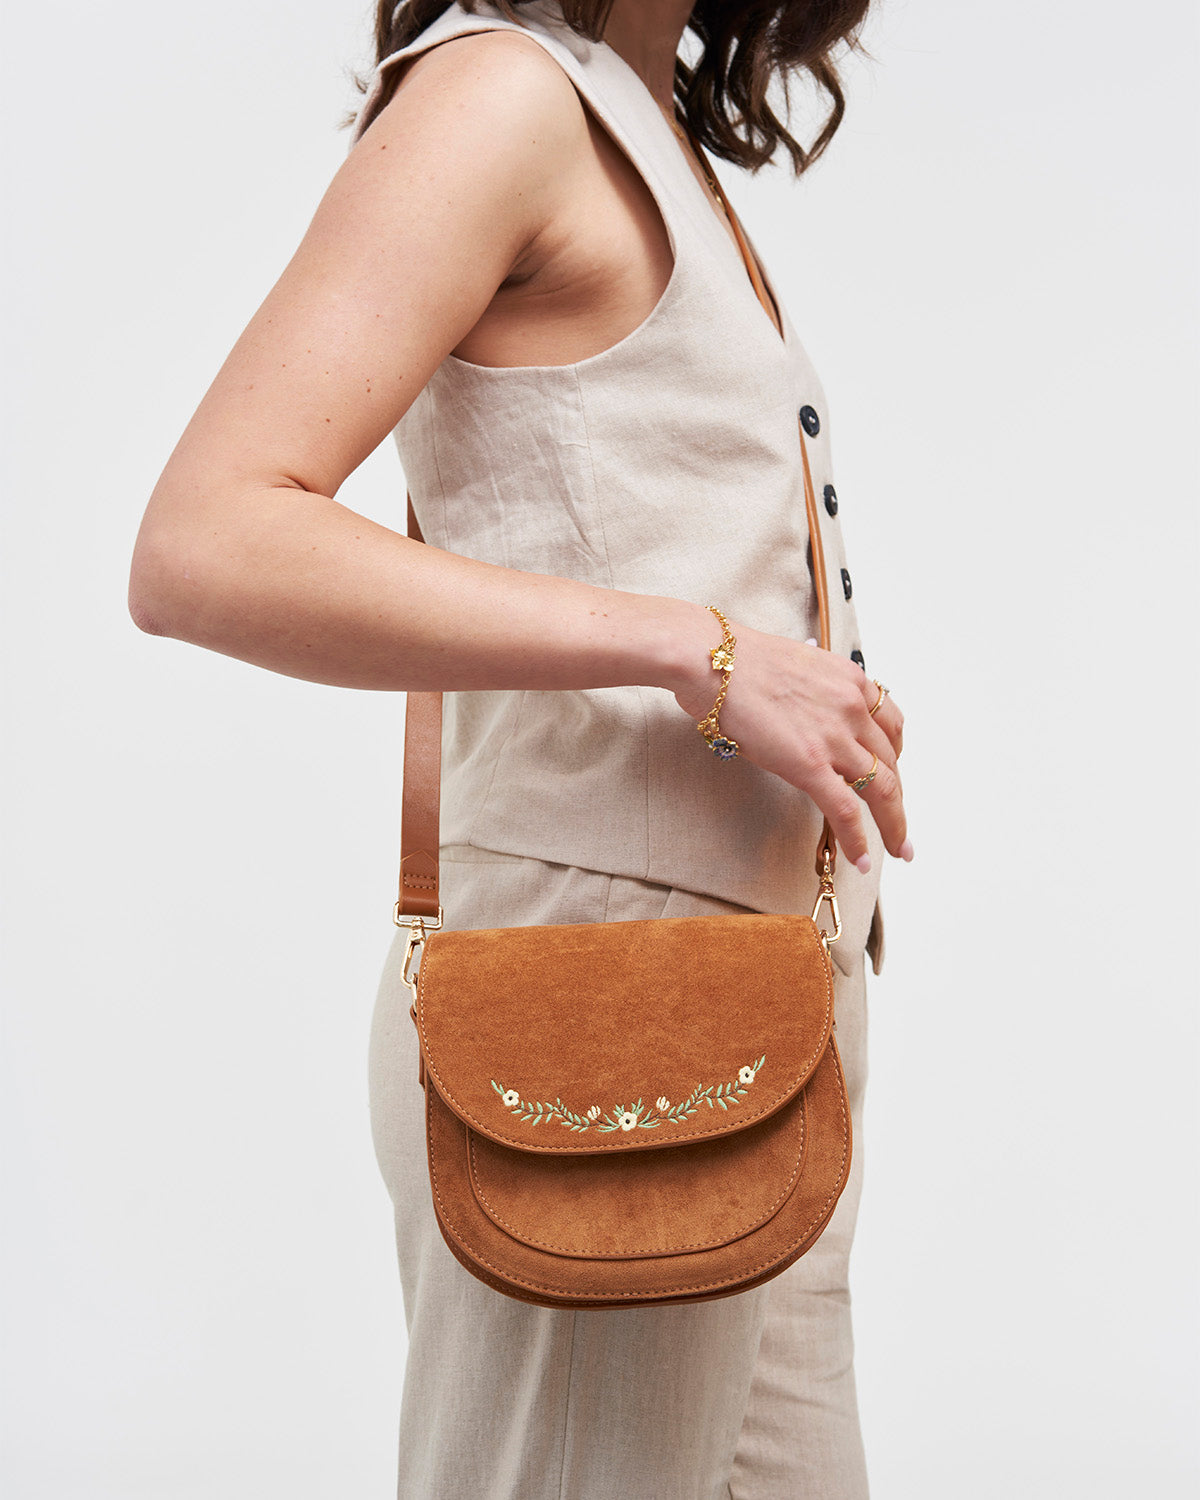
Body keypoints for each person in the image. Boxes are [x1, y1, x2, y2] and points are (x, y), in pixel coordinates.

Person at [128, 0, 911, 1493]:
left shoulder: (641, 122)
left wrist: (810, 687)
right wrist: (702, 649)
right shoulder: (504, 98)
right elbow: (202, 541)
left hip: (763, 986)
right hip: (604, 995)